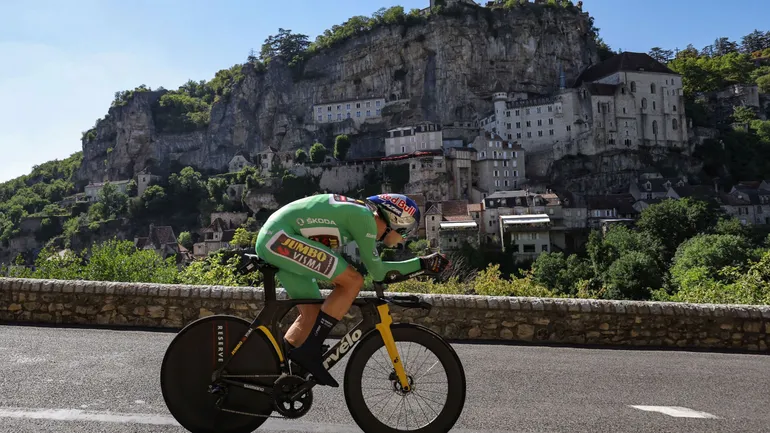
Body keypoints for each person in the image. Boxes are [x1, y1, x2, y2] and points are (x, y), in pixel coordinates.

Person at [254, 193, 450, 387]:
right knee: (353, 281)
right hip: (280, 237)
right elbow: (378, 272)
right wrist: (423, 263)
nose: (403, 239)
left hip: (275, 237)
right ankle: (309, 352)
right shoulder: (364, 218)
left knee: (311, 315)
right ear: (396, 220)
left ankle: (277, 373)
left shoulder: (361, 214)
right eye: (406, 232)